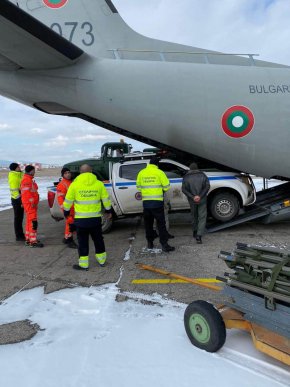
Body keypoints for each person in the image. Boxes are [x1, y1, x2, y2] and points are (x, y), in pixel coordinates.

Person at [63, 164, 112, 271]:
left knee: (82, 242)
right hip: (95, 219)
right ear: (91, 171)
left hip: (81, 220)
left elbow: (68, 201)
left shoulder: (74, 185)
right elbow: (106, 199)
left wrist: (66, 212)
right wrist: (108, 210)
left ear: (80, 172)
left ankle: (84, 265)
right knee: (98, 240)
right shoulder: (99, 184)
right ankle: (102, 260)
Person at [136, 156, 175, 252]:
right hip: (157, 203)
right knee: (161, 225)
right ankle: (164, 245)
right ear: (157, 164)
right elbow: (166, 187)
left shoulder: (141, 172)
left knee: (148, 225)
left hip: (146, 204)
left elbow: (139, 187)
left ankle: (150, 243)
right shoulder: (159, 172)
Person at [182, 162, 210, 244]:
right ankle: (199, 235)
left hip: (192, 200)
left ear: (190, 169)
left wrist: (193, 197)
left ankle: (194, 231)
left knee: (194, 215)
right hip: (202, 199)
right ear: (197, 168)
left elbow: (184, 189)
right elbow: (207, 186)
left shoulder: (186, 177)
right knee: (202, 217)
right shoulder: (203, 175)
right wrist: (200, 196)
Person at [20, 165, 43, 248]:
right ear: (31, 171)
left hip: (30, 204)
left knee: (29, 221)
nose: (35, 172)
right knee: (33, 222)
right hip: (30, 205)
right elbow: (26, 193)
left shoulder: (29, 179)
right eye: (34, 170)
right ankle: (33, 241)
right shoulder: (26, 180)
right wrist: (32, 202)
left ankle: (28, 239)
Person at [56, 167, 77, 249]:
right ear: (62, 175)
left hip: (73, 208)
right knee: (70, 224)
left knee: (71, 224)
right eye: (65, 173)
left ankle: (66, 238)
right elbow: (60, 198)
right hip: (68, 208)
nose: (68, 174)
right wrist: (65, 209)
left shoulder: (72, 182)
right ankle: (69, 240)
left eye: (69, 172)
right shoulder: (62, 184)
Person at [8, 162, 25, 241]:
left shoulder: (19, 174)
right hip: (17, 200)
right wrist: (20, 201)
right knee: (18, 218)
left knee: (20, 218)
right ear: (15, 168)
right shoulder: (13, 177)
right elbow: (15, 191)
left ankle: (21, 234)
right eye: (18, 167)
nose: (19, 168)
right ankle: (18, 236)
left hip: (21, 199)